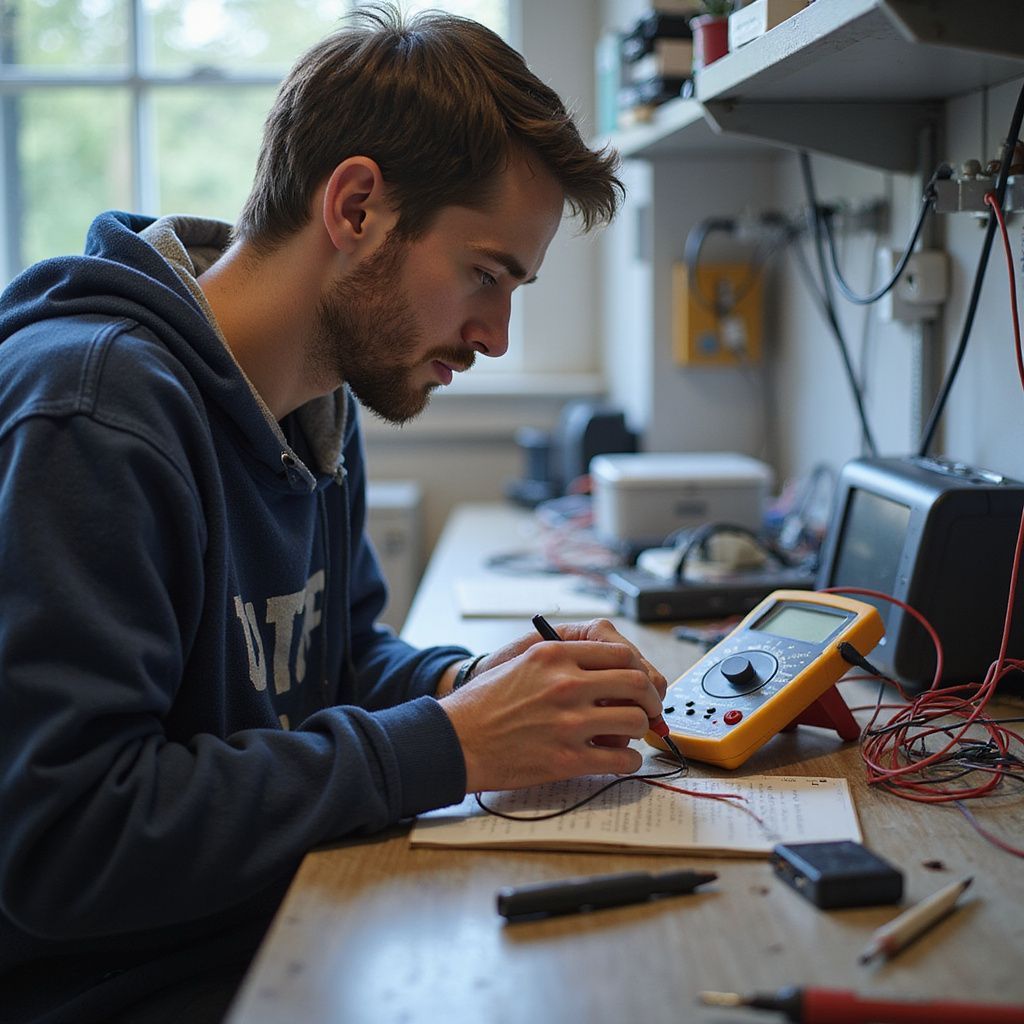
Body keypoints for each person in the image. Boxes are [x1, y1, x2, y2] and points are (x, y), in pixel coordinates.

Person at [0, 4, 668, 1021]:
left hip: (264, 924)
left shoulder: (316, 407)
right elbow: (63, 838)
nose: (493, 334)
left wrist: (472, 684)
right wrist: (448, 744)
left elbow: (336, 663)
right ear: (355, 207)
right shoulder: (93, 418)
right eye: (485, 274)